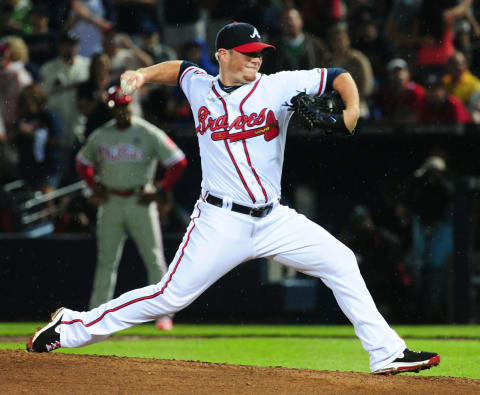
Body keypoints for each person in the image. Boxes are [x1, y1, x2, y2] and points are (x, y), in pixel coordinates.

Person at [27, 22, 440, 375]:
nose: (256, 59)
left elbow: (340, 75)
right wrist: (141, 73)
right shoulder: (201, 86)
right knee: (169, 296)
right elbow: (178, 69)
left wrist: (349, 116)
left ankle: (386, 353)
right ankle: (70, 327)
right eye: (247, 53)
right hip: (220, 221)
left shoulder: (279, 85)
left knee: (341, 261)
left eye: (260, 53)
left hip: (274, 219)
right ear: (222, 54)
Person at [74, 86, 187, 330]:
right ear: (111, 108)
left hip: (139, 200)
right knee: (107, 260)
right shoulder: (102, 135)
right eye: (118, 106)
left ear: (131, 104)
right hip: (111, 201)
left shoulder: (146, 132)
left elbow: (178, 161)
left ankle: (164, 315)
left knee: (154, 258)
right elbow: (82, 163)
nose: (123, 110)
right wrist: (94, 187)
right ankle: (96, 317)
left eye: (125, 104)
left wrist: (160, 190)